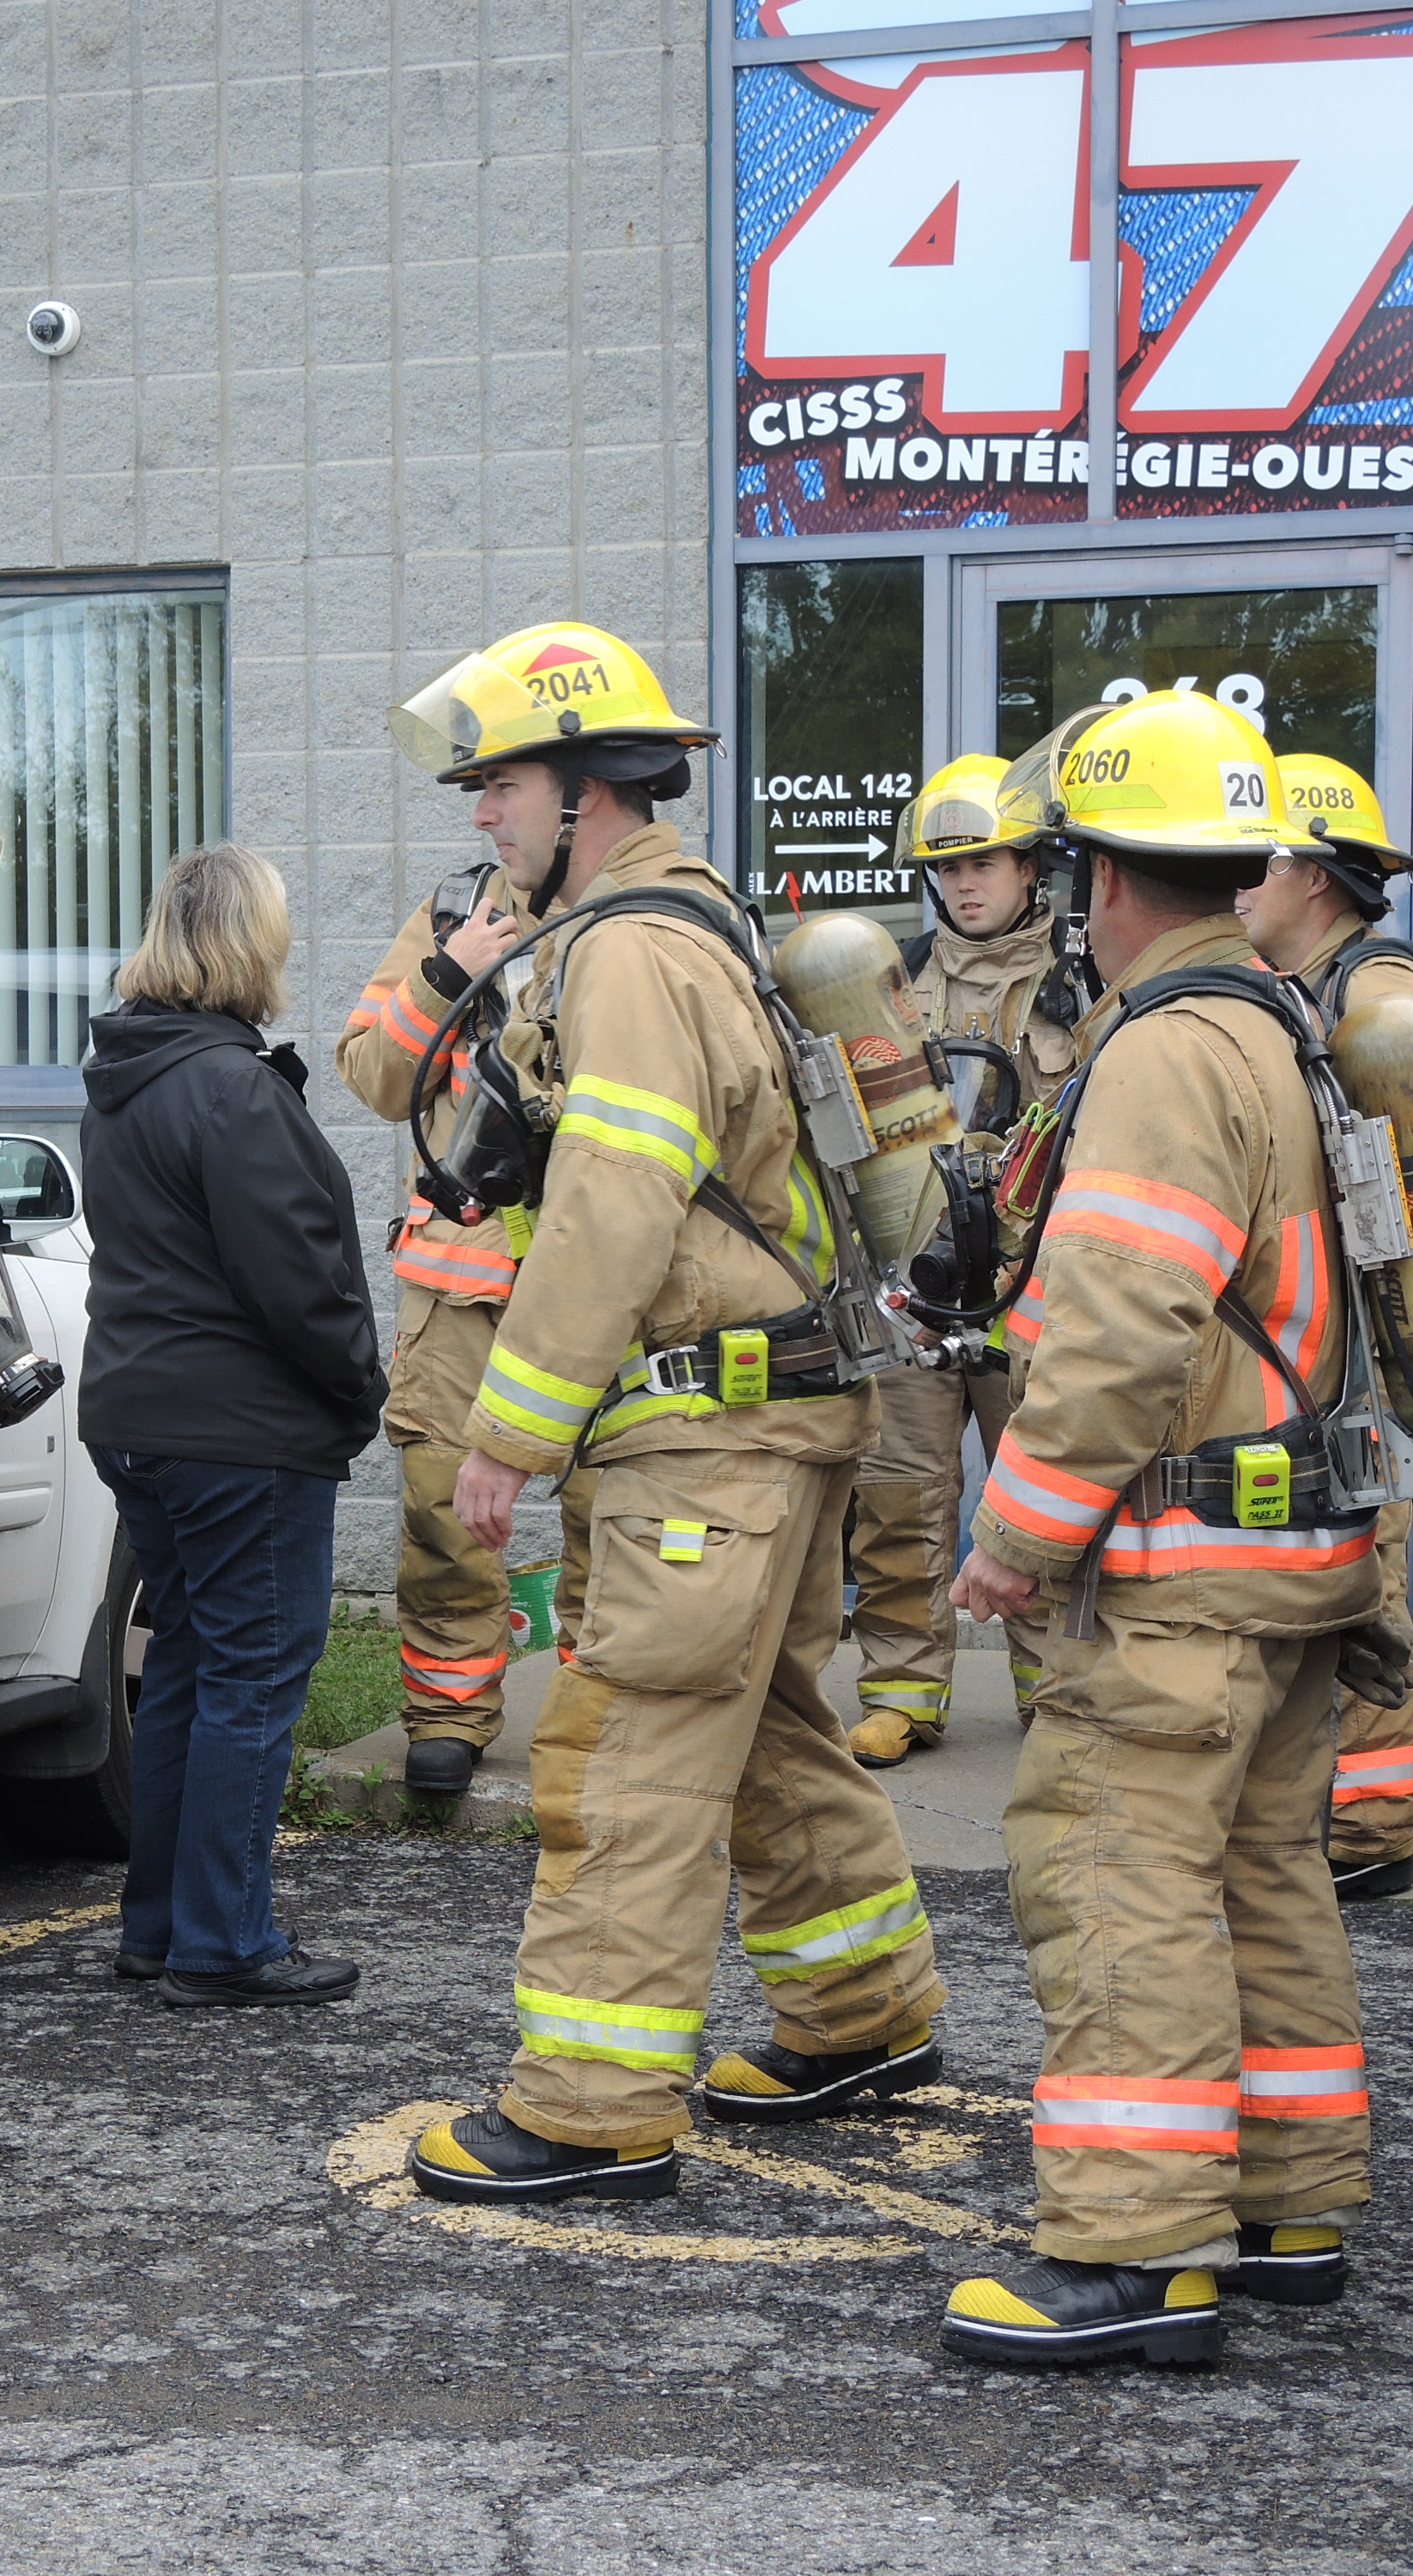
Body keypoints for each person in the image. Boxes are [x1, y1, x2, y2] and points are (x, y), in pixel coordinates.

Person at [382, 619, 947, 2206]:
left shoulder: (628, 949)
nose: (483, 818)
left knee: (625, 1757)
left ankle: (586, 2108)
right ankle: (862, 2017)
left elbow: (613, 1209)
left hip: (706, 1438)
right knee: (764, 1736)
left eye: (502, 786)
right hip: (769, 1423)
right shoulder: (684, 929)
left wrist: (506, 1431)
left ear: (589, 788)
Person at [942, 690, 1385, 2367]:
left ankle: (1135, 2257)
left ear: (1094, 877)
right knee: (1260, 1879)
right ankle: (1281, 2210)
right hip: (1288, 1557)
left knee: (1116, 1878)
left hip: (1173, 1578)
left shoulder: (1162, 1049)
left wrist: (1016, 1535)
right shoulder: (1278, 1024)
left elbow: (1121, 1326)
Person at [79, 841, 386, 2005]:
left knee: (196, 1672)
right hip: (241, 1432)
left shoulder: (130, 1075)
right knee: (253, 1679)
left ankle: (161, 1926)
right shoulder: (232, 1087)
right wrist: (359, 1390)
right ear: (247, 942)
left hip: (143, 1420)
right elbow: (298, 1282)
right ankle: (225, 1943)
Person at [340, 852, 596, 1798]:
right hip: (459, 1279)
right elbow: (370, 1073)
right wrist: (450, 974)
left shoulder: (641, 916)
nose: (486, 811)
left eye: (504, 786)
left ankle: (596, 1710)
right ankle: (449, 1712)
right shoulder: (456, 910)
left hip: (597, 1272)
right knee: (441, 1508)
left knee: (609, 1509)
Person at [840, 754, 1077, 1769]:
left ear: (1031, 865)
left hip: (1035, 1287)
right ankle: (902, 1690)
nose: (963, 884)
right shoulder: (882, 982)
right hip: (915, 1291)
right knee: (900, 1492)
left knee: (1041, 1489)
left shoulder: (1085, 979)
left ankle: (1056, 1690)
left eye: (983, 861)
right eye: (946, 867)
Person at [1235, 752, 1413, 1900]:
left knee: (1369, 1577)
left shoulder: (1374, 1002)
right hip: (1339, 1351)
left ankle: (1378, 1822)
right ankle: (1362, 1800)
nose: (1238, 888)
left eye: (1256, 863)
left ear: (1314, 875)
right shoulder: (1330, 991)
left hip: (1370, 1355)